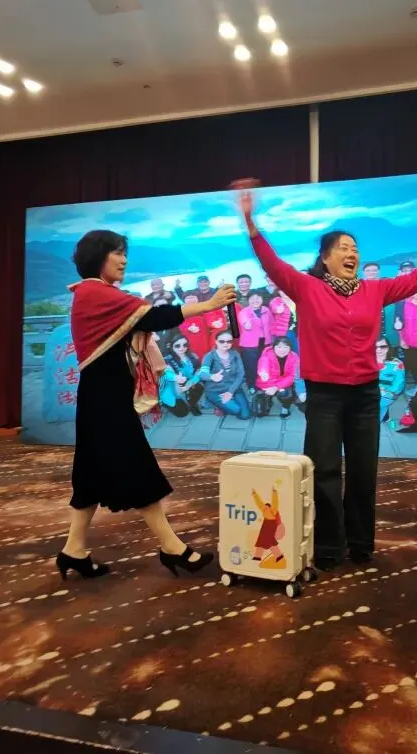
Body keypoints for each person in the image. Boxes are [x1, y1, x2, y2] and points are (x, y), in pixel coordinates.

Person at [237, 181, 417, 570]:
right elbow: (272, 264)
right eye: (343, 248)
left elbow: (416, 281)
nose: (352, 253)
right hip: (324, 395)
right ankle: (328, 546)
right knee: (323, 470)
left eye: (355, 248)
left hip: (365, 395)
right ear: (325, 258)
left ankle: (360, 542)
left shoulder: (374, 290)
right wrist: (251, 223)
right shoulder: (306, 288)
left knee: (362, 470)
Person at [57, 229, 234, 581]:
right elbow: (153, 317)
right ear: (98, 257)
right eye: (117, 253)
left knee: (89, 476)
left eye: (124, 253)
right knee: (139, 469)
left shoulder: (94, 293)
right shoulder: (95, 292)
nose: (123, 260)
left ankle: (72, 551)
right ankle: (173, 548)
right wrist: (208, 305)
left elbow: (142, 320)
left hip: (101, 396)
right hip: (106, 399)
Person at [199, 331, 251, 419]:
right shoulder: (209, 356)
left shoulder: (235, 354)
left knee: (245, 415)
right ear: (216, 341)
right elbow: (202, 374)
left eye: (229, 341)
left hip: (233, 389)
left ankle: (229, 402)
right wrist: (211, 377)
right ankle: (218, 404)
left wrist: (230, 392)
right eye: (222, 341)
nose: (225, 344)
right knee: (236, 410)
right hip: (215, 391)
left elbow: (241, 374)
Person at [254, 336, 300, 418]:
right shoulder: (267, 355)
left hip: (283, 382)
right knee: (260, 413)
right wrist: (263, 372)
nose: (282, 350)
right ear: (273, 347)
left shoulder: (294, 357)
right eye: (279, 347)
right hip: (268, 382)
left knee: (285, 393)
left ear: (290, 348)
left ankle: (285, 407)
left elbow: (293, 375)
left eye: (286, 347)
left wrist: (276, 387)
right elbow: (263, 364)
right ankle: (267, 399)